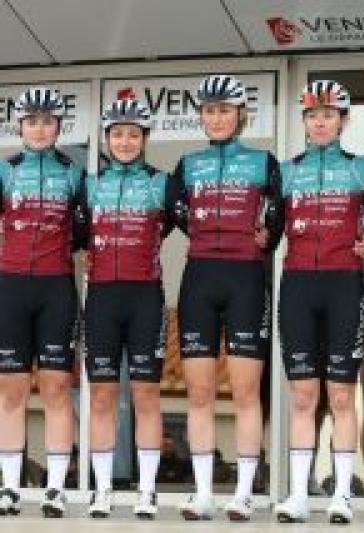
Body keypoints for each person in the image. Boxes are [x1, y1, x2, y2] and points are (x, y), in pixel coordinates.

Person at [269, 80, 364, 524]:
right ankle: (299, 494)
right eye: (313, 115)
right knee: (302, 396)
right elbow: (270, 229)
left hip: (344, 286)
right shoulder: (286, 171)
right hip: (298, 285)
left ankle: (342, 494)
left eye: (328, 115)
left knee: (341, 394)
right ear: (304, 121)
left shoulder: (363, 168)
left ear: (343, 121)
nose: (320, 123)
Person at [169, 74, 279, 521]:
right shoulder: (187, 165)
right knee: (199, 393)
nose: (216, 118)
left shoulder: (263, 162)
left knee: (246, 393)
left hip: (246, 278)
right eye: (209, 111)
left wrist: (267, 235)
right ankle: (202, 494)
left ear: (240, 115)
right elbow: (174, 210)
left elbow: (280, 213)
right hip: (199, 277)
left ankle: (245, 493)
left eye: (224, 111)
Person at [77, 99, 179, 519]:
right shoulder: (89, 185)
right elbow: (77, 234)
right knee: (101, 396)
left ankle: (148, 491)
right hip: (101, 298)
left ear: (145, 139)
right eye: (117, 134)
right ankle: (102, 490)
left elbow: (179, 226)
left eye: (133, 134)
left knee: (146, 395)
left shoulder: (163, 183)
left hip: (145, 299)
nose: (125, 141)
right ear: (106, 139)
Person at [0, 87, 84, 517]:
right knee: (11, 390)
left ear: (58, 127)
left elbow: (85, 233)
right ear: (20, 126)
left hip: (56, 288)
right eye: (31, 121)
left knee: (56, 388)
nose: (39, 129)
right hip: (11, 287)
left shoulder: (74, 174)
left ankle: (55, 489)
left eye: (47, 121)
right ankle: (10, 487)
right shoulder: (5, 170)